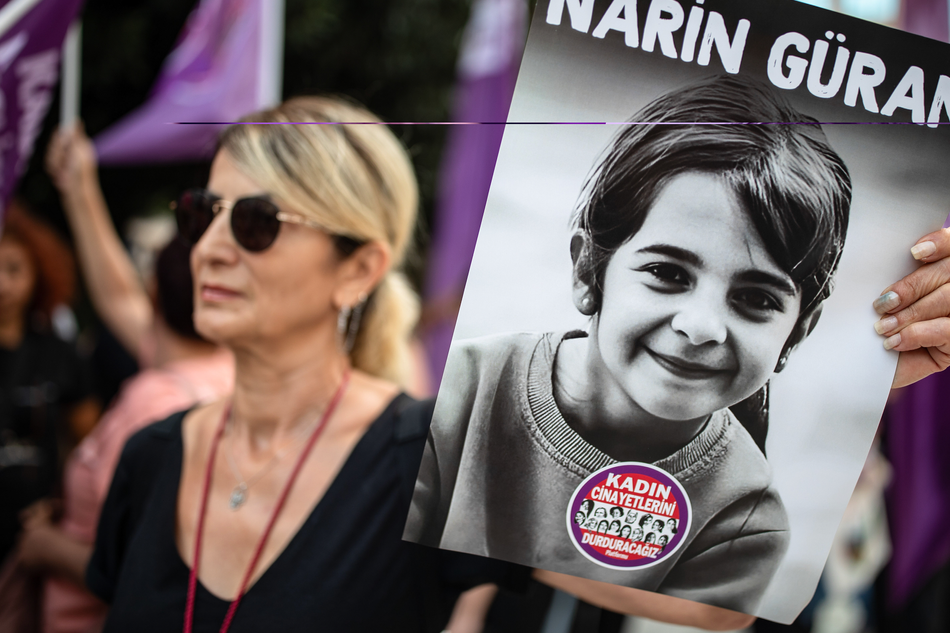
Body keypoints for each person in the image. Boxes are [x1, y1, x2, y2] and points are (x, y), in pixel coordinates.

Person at [79, 97, 775, 632]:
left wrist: (874, 361)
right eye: (205, 213)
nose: (212, 248)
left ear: (358, 269)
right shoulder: (151, 454)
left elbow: (716, 606)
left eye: (256, 222)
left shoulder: (427, 457)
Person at [406, 75, 950, 613]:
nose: (702, 326)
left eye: (756, 299)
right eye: (668, 273)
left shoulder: (747, 513)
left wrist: (883, 374)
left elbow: (719, 617)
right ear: (587, 269)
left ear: (798, 329)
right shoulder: (466, 389)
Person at [13, 124, 236, 633]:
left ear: (155, 293)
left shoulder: (154, 405)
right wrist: (81, 187)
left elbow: (142, 571)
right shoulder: (231, 373)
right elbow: (118, 298)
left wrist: (46, 547)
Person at [0, 203, 95, 564]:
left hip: (38, 533)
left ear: (38, 272)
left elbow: (87, 443)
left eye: (14, 269)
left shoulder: (60, 352)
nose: (3, 284)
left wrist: (60, 503)